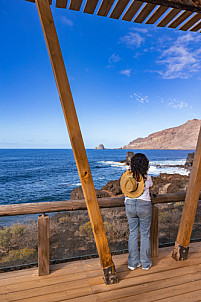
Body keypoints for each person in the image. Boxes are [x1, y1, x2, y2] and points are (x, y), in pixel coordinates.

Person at [120, 153, 153, 271]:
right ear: (145, 165)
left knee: (133, 233)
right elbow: (150, 186)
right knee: (145, 234)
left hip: (129, 205)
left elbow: (126, 190)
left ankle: (132, 263)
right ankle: (145, 263)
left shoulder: (128, 178)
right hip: (144, 205)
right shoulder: (147, 178)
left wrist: (129, 169)